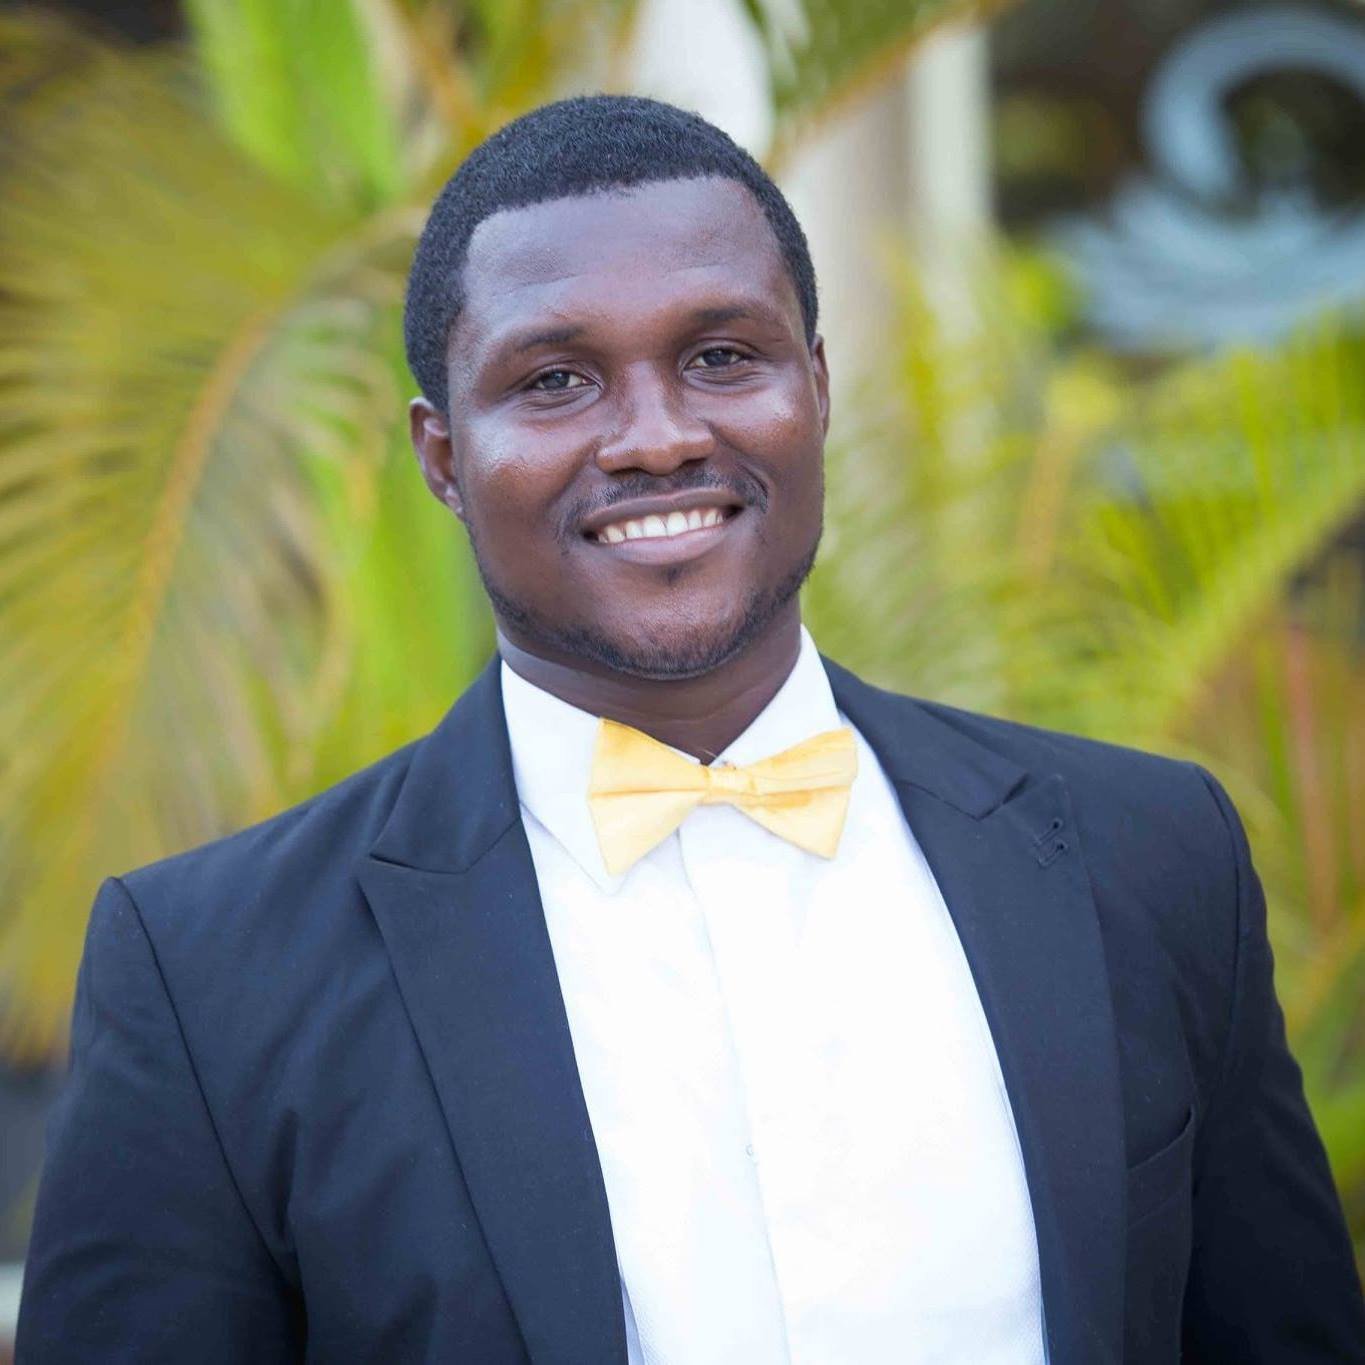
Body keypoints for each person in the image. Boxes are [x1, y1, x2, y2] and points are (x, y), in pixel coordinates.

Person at [17, 94, 1365, 1365]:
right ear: (442, 456)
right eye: (556, 379)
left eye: (721, 357)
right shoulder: (210, 975)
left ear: (815, 387)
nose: (657, 437)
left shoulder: (1145, 856)